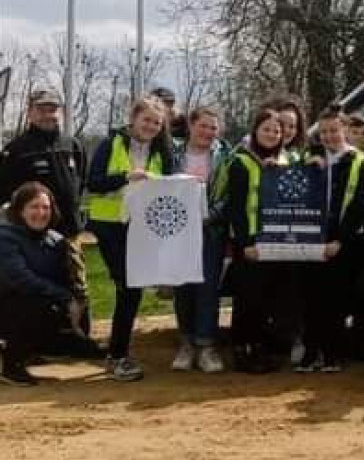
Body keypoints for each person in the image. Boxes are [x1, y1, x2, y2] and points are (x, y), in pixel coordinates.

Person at [86, 96, 172, 381]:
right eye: (146, 120)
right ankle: (117, 355)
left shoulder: (162, 149)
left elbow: (169, 186)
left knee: (131, 288)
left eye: (157, 123)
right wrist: (126, 176)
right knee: (129, 285)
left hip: (143, 227)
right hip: (110, 225)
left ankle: (117, 353)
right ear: (133, 118)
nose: (151, 126)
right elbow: (94, 183)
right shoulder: (111, 143)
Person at [0, 88, 90, 330]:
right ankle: (38, 338)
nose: (48, 114)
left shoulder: (72, 145)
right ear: (29, 112)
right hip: (32, 236)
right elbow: (6, 194)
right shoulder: (16, 149)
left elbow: (80, 182)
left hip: (69, 234)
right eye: (41, 109)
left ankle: (80, 335)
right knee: (35, 286)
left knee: (76, 285)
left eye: (52, 108)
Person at [0, 183, 101, 386]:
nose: (41, 213)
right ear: (20, 211)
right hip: (8, 305)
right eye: (34, 207)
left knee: (79, 325)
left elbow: (68, 280)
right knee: (43, 307)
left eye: (45, 207)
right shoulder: (5, 237)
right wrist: (65, 298)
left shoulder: (56, 240)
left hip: (36, 301)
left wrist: (78, 300)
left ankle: (37, 348)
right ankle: (11, 364)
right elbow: (21, 279)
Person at [297, 106, 364, 372]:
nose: (329, 136)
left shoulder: (358, 161)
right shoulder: (309, 157)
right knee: (310, 298)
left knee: (335, 300)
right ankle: (310, 351)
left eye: (334, 130)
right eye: (324, 131)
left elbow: (360, 204)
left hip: (340, 241)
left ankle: (332, 354)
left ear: (345, 131)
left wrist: (340, 240)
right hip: (311, 238)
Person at [221, 108, 293, 373]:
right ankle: (243, 349)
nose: (272, 134)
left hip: (277, 241)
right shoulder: (241, 162)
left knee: (269, 298)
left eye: (277, 130)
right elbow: (237, 208)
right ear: (255, 131)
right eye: (266, 129)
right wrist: (246, 243)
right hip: (250, 243)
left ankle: (262, 347)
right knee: (247, 298)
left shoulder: (286, 161)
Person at [171, 106, 233, 373]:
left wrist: (210, 215)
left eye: (213, 128)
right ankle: (186, 344)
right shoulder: (172, 153)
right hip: (179, 231)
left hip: (211, 230)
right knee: (183, 287)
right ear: (191, 126)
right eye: (203, 126)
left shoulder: (226, 155)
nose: (208, 132)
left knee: (208, 287)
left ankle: (206, 346)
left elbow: (230, 193)